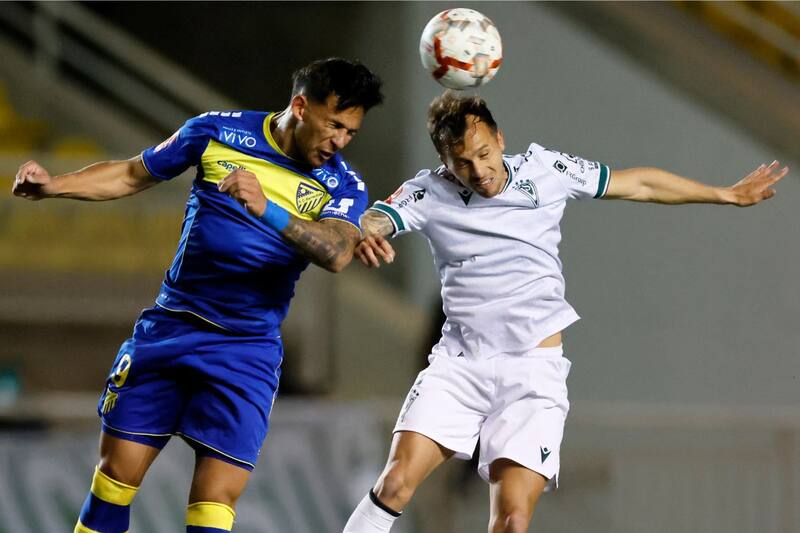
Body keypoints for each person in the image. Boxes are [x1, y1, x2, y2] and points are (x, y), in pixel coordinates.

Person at [343, 91, 787, 533]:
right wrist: (359, 233)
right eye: (462, 163)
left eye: (483, 153)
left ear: (499, 138)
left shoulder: (546, 170)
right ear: (444, 161)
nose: (478, 171)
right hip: (460, 367)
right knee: (396, 483)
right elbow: (370, 221)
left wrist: (723, 194)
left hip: (533, 373)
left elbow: (638, 183)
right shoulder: (427, 193)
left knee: (512, 520)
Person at [13, 57, 383, 533]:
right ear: (300, 106)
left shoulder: (341, 183)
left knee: (212, 508)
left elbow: (335, 252)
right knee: (113, 481)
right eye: (334, 125)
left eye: (351, 132)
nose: (339, 141)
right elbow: (132, 174)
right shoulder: (217, 132)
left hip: (245, 351)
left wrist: (266, 208)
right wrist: (53, 188)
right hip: (171, 329)